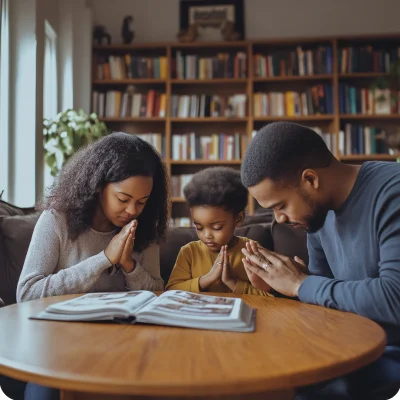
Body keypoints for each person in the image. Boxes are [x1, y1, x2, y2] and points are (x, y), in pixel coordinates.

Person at [240, 121, 400, 400]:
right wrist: (279, 286)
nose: (279, 219)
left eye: (280, 206)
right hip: (349, 343)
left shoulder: (392, 192)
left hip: (388, 349)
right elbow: (323, 299)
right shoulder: (317, 216)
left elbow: (394, 298)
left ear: (311, 180)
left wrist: (302, 284)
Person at [17, 132, 169, 400]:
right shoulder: (56, 221)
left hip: (123, 347)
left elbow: (157, 292)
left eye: (142, 202)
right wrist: (103, 259)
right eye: (124, 199)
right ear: (99, 186)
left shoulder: (143, 229)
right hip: (59, 345)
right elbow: (27, 293)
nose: (132, 210)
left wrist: (130, 266)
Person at [166, 166, 272, 296]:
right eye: (199, 227)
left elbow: (269, 298)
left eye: (216, 227)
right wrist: (207, 279)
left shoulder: (251, 251)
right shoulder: (189, 252)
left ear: (238, 219)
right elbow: (171, 290)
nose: (207, 235)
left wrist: (232, 282)